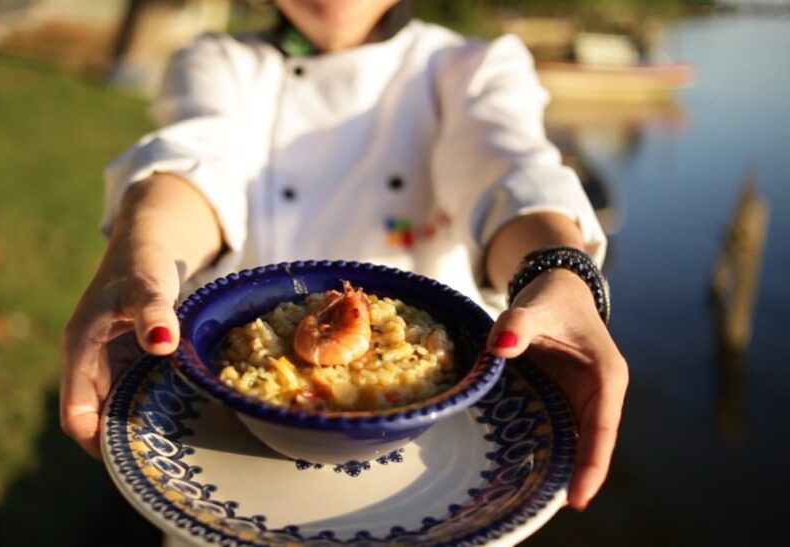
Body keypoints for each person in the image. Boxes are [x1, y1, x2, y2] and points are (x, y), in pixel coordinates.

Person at [61, 0, 628, 513]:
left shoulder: (474, 66)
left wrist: (560, 273)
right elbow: (201, 164)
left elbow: (508, 173)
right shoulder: (221, 61)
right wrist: (143, 252)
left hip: (438, 470)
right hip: (236, 461)